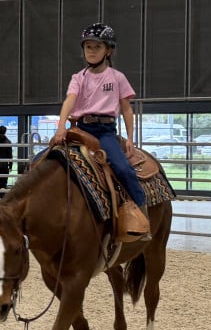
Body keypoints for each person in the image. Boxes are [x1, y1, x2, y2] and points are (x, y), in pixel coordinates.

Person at [50, 22, 149, 240]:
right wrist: (61, 126)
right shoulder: (79, 77)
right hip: (80, 128)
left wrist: (130, 138)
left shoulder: (117, 77)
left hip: (104, 132)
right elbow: (70, 100)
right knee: (42, 160)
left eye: (97, 46)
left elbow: (126, 109)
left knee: (123, 169)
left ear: (108, 50)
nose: (92, 51)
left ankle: (142, 217)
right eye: (88, 47)